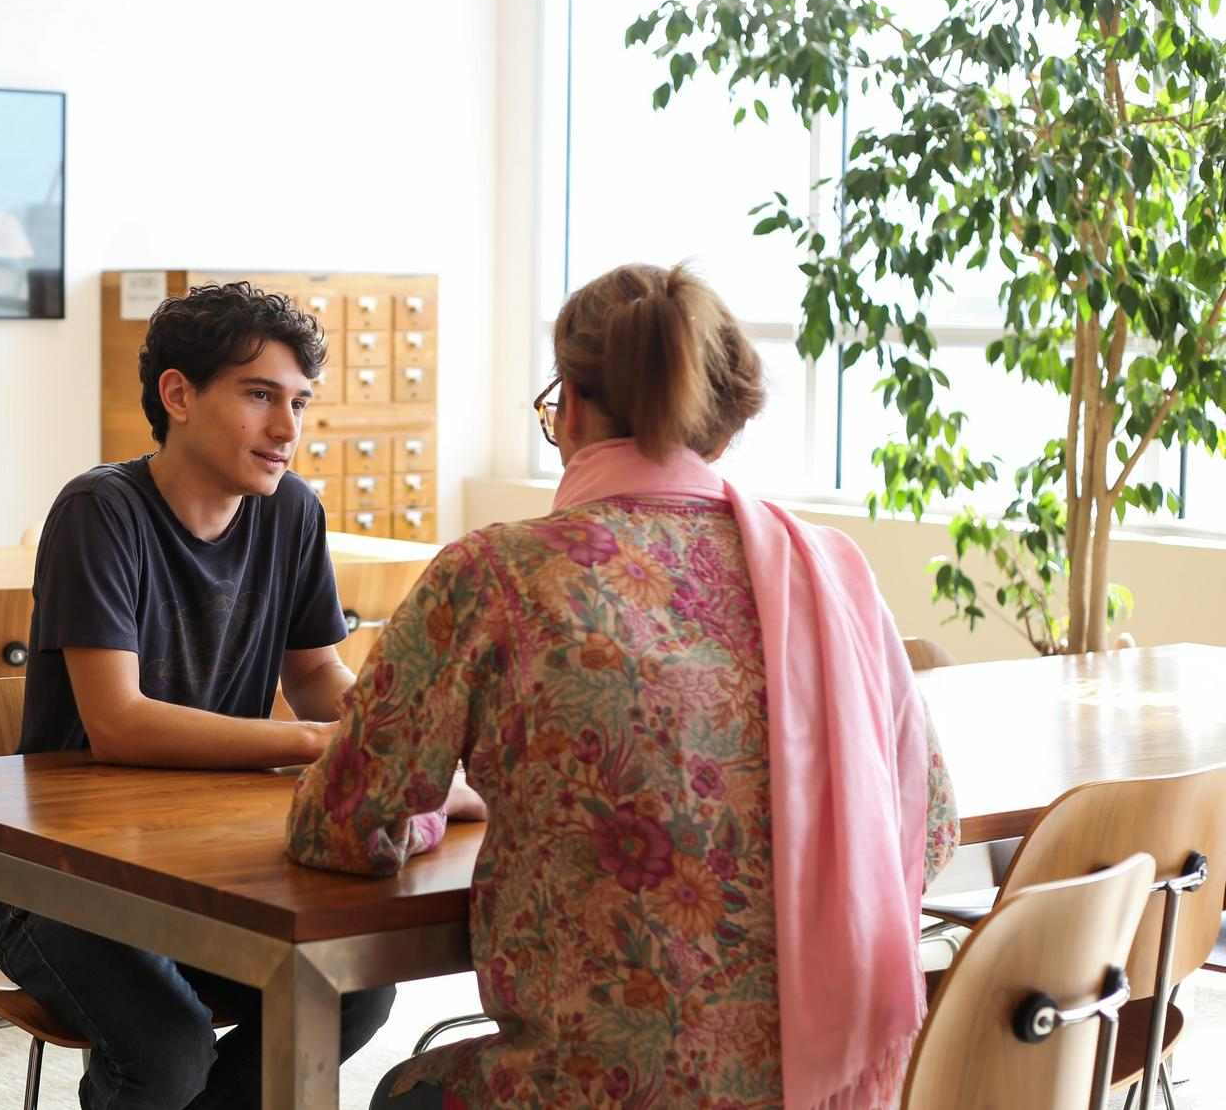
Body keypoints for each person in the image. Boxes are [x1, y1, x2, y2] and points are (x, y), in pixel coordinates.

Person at [286, 263, 960, 1109]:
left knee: (404, 1091)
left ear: (568, 405)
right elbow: (930, 828)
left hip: (584, 1093)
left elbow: (337, 823)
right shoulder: (832, 577)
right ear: (716, 429)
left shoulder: (495, 574)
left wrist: (436, 805)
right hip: (811, 1086)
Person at [0, 282, 439, 1109]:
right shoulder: (100, 511)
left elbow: (315, 673)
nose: (288, 430)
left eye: (298, 402)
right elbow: (116, 723)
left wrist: (394, 731)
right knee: (169, 1044)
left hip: (203, 864)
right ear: (178, 395)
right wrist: (307, 743)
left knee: (353, 987)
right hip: (57, 877)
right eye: (260, 395)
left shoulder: (292, 511)